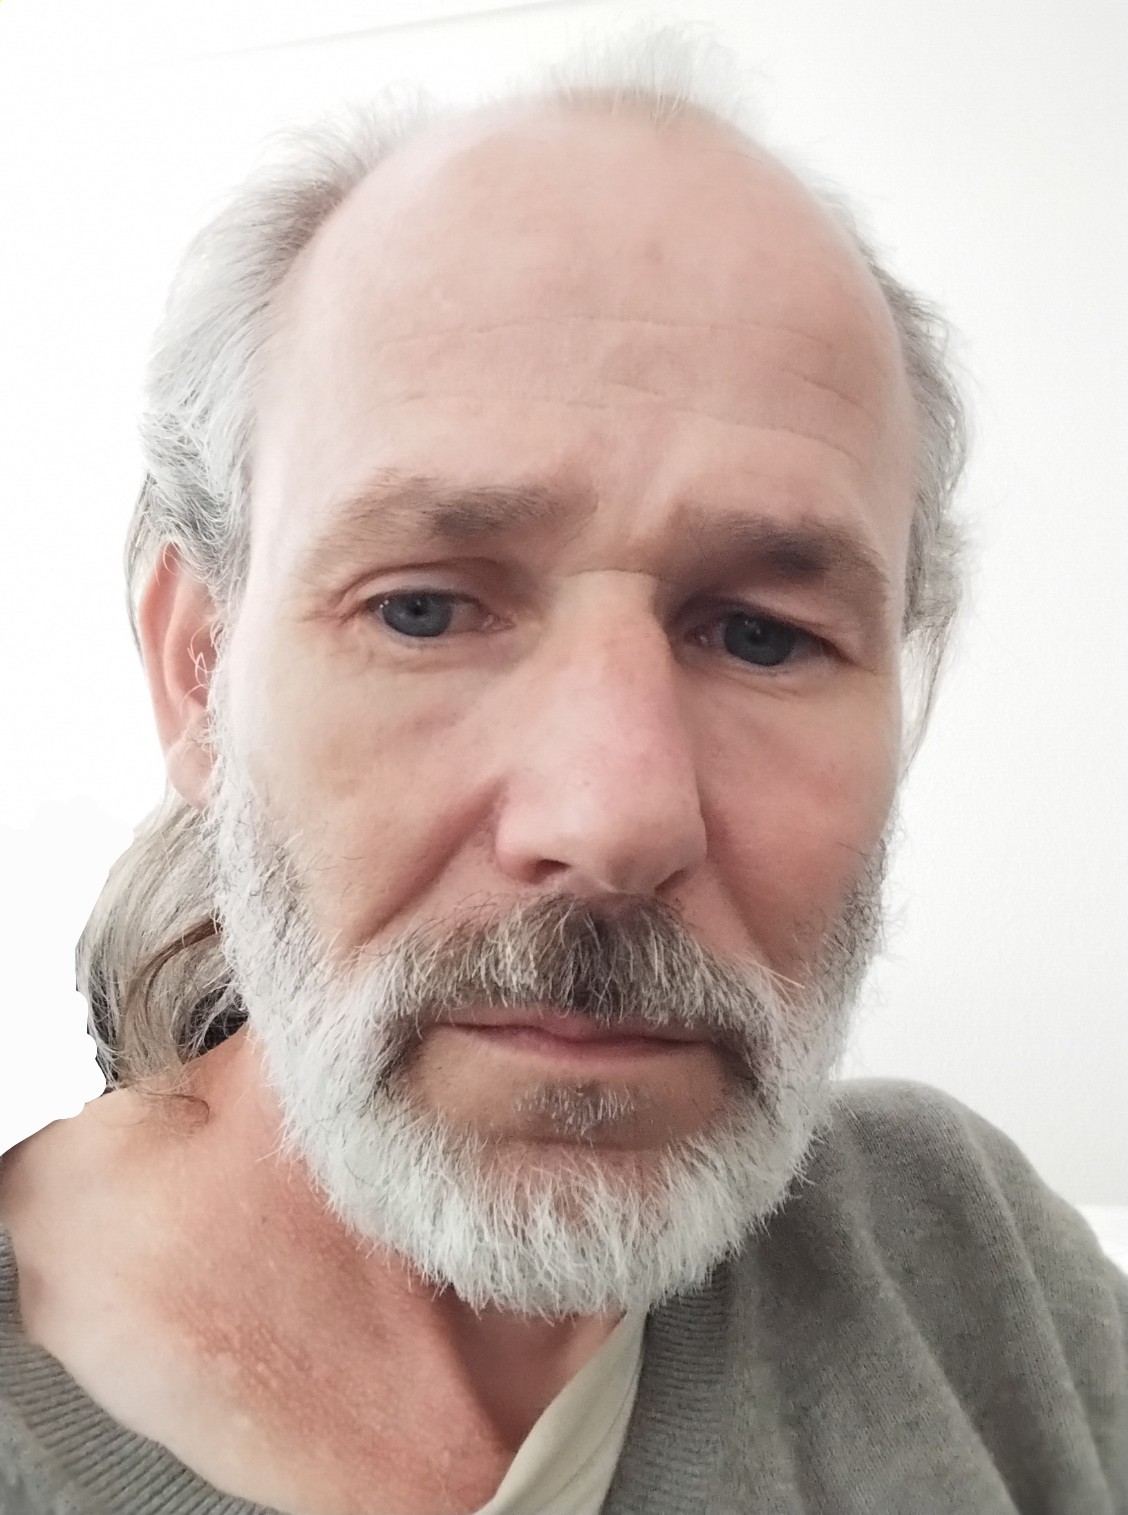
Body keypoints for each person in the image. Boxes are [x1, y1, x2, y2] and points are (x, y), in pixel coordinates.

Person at [1, 30, 1125, 1515]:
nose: (614, 818)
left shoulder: (971, 1271)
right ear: (200, 674)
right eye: (422, 611)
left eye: (762, 636)